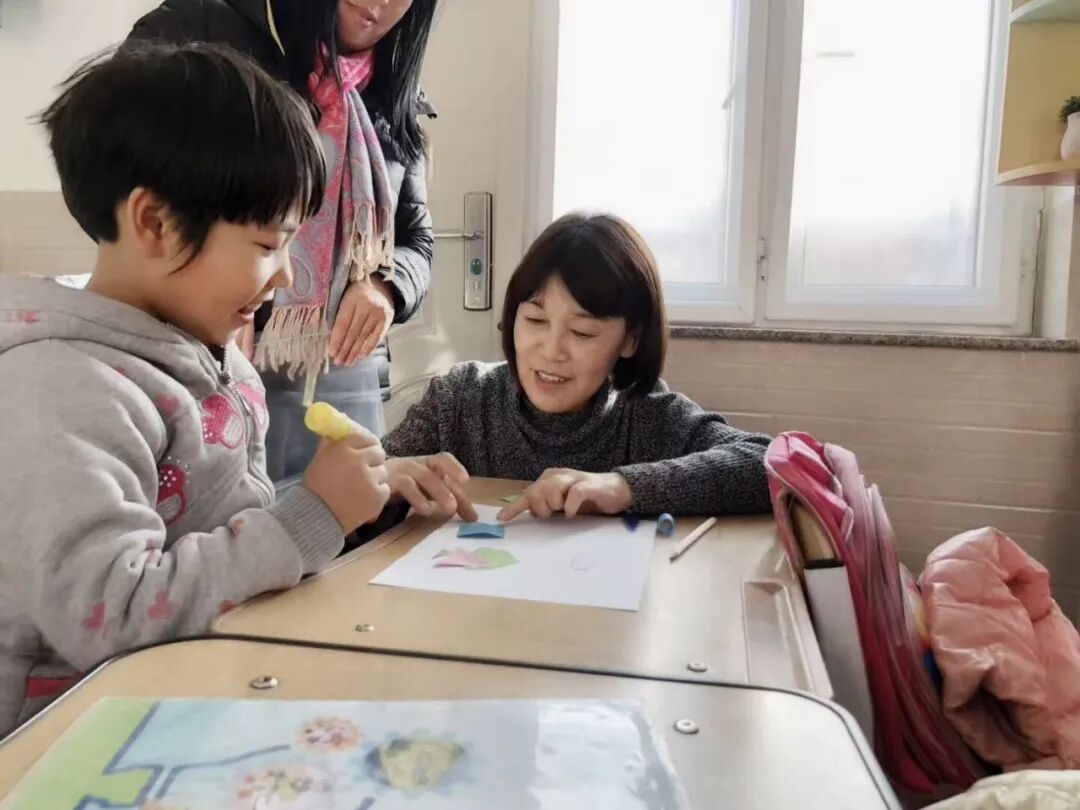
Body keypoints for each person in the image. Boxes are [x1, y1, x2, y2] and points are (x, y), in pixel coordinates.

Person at [0, 43, 390, 736]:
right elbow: (112, 614)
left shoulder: (213, 352)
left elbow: (226, 528)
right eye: (268, 245)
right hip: (67, 742)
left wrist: (367, 497)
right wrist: (311, 517)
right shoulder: (61, 391)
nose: (287, 277)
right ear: (154, 222)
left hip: (194, 697)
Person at [128, 0, 439, 481]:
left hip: (344, 373)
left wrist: (385, 287)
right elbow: (115, 184)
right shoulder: (201, 25)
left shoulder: (396, 92)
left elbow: (417, 239)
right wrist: (209, 296)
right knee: (212, 518)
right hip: (199, 361)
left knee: (344, 516)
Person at [380, 213, 773, 522]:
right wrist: (381, 482)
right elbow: (367, 482)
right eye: (535, 320)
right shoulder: (460, 399)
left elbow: (770, 463)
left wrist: (623, 487)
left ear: (631, 340)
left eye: (582, 332)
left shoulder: (647, 415)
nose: (551, 351)